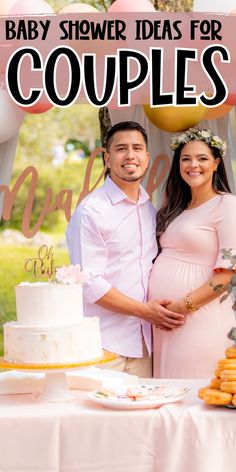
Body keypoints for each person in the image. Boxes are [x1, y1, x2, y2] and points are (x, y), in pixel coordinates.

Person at [66, 121, 184, 378]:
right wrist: (146, 311)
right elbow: (90, 284)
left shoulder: (148, 206)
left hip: (145, 344)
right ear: (108, 159)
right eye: (121, 149)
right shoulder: (92, 211)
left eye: (137, 148)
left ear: (147, 157)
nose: (130, 155)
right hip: (105, 344)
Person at [148, 127, 236, 379]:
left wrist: (181, 306)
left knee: (193, 389)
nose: (193, 165)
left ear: (217, 163)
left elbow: (228, 275)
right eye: (186, 159)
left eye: (202, 158)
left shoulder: (226, 205)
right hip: (167, 320)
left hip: (199, 317)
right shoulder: (174, 207)